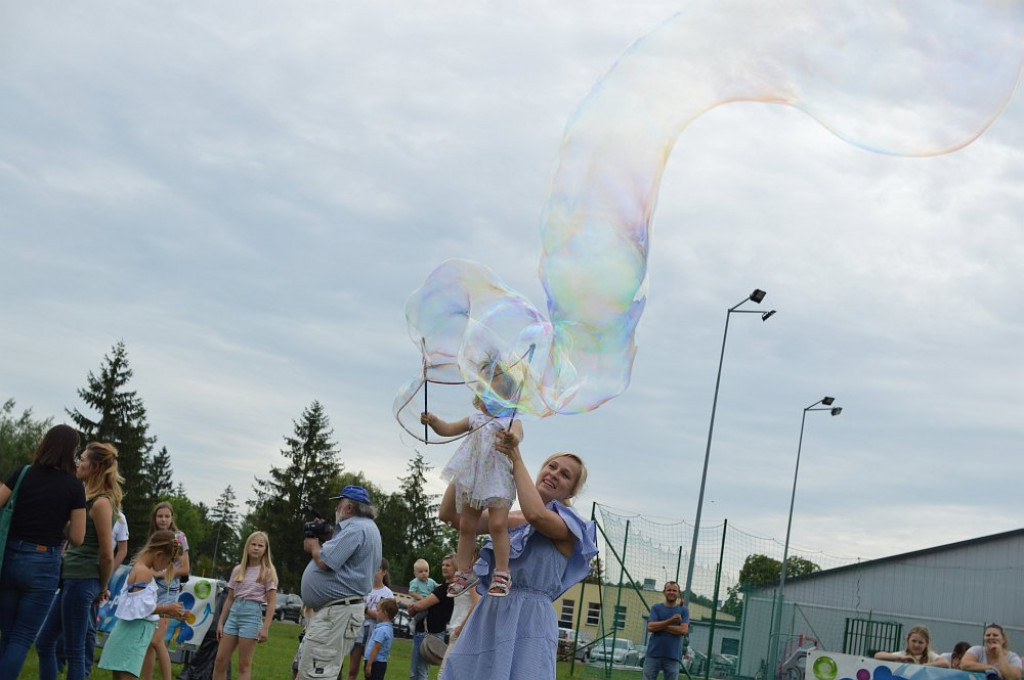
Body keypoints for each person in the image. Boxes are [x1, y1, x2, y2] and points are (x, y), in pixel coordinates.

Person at [438, 443, 598, 680]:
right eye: (551, 467)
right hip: (490, 613)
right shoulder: (507, 519)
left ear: (571, 492)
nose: (554, 474)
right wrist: (468, 459)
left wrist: (516, 459)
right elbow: (450, 516)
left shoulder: (569, 526)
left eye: (565, 475)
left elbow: (535, 514)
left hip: (530, 621)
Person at [422, 361, 525, 598]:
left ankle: (501, 573)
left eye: (496, 392)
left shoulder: (511, 421)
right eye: (485, 390)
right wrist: (434, 421)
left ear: (508, 397)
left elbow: (517, 436)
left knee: (498, 525)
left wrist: (512, 439)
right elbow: (448, 429)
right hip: (473, 478)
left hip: (497, 480)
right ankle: (465, 572)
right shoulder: (475, 419)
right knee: (467, 526)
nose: (488, 396)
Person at [0, 424, 87, 678]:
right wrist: (58, 520)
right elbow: (78, 537)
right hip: (43, 563)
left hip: (11, 556)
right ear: (71, 452)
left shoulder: (24, 473)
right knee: (22, 637)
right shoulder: (73, 487)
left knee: (7, 634)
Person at [37, 442, 123, 680]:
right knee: (45, 642)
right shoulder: (86, 498)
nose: (78, 462)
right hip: (72, 578)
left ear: (94, 467)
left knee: (75, 652)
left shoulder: (102, 503)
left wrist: (103, 587)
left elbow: (107, 554)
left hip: (83, 581)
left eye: (82, 459)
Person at [296, 485, 382, 680]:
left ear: (349, 508)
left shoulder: (356, 528)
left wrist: (314, 546)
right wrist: (329, 535)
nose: (336, 509)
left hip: (337, 614)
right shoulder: (366, 527)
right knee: (312, 671)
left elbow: (325, 561)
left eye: (339, 504)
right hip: (339, 612)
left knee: (317, 674)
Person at [98, 530, 189, 679]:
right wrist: (167, 608)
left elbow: (136, 609)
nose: (165, 568)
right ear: (158, 555)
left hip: (125, 634)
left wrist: (170, 613)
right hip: (134, 637)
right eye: (167, 562)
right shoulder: (144, 573)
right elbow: (143, 609)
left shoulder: (138, 569)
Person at [213, 531, 278, 680]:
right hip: (234, 613)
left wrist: (265, 628)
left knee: (244, 665)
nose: (256, 548)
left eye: (260, 545)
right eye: (253, 544)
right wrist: (221, 622)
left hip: (251, 615)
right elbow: (229, 598)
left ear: (265, 549)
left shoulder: (267, 572)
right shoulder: (238, 570)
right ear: (247, 547)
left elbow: (272, 602)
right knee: (220, 661)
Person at [141, 501, 190, 680]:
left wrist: (161, 573)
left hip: (169, 593)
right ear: (154, 518)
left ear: (172, 518)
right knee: (148, 642)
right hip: (151, 592)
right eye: (160, 516)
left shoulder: (179, 537)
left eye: (167, 516)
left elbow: (185, 569)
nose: (163, 520)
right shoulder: (154, 538)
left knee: (157, 640)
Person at [407, 554, 456, 680]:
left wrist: (415, 606)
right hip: (434, 632)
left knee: (418, 672)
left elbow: (420, 606)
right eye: (443, 565)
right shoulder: (453, 589)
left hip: (427, 633)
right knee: (421, 671)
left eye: (448, 565)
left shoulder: (444, 589)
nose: (444, 567)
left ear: (456, 567)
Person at [347, 557, 393, 680]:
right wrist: (368, 612)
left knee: (370, 671)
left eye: (378, 568)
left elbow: (383, 617)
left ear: (384, 572)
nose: (374, 571)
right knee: (352, 670)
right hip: (359, 631)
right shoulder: (363, 588)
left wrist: (365, 610)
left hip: (375, 635)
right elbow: (354, 609)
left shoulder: (388, 594)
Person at [643, 581, 689, 680]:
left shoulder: (684, 610)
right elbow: (650, 627)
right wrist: (671, 621)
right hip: (653, 654)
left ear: (678, 593)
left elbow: (684, 630)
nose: (671, 592)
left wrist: (660, 625)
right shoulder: (656, 608)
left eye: (674, 590)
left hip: (673, 656)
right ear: (664, 592)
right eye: (669, 590)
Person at [364, 598, 399, 680]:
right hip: (379, 663)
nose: (376, 613)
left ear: (385, 613)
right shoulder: (388, 628)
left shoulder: (382, 630)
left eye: (378, 610)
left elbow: (376, 647)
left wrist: (369, 664)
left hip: (375, 663)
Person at [874, 625, 938, 664]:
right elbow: (878, 655)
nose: (916, 645)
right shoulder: (902, 655)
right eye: (913, 641)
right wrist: (901, 658)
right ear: (908, 641)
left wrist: (923, 667)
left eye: (920, 642)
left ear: (926, 644)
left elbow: (945, 663)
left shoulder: (931, 656)